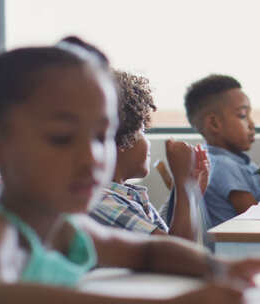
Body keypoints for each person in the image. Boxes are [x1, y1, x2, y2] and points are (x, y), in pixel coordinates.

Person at [0, 37, 260, 303]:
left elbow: (148, 251)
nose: (91, 157)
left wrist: (219, 267)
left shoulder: (67, 227)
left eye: (102, 137)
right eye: (62, 138)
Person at [89, 70, 209, 241]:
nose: (148, 141)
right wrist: (183, 184)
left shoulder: (127, 196)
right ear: (121, 138)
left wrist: (190, 191)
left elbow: (167, 238)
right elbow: (175, 256)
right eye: (143, 130)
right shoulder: (103, 202)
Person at [184, 74, 260, 227]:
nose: (252, 124)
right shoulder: (223, 166)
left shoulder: (236, 160)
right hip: (239, 249)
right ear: (214, 123)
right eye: (243, 115)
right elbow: (257, 220)